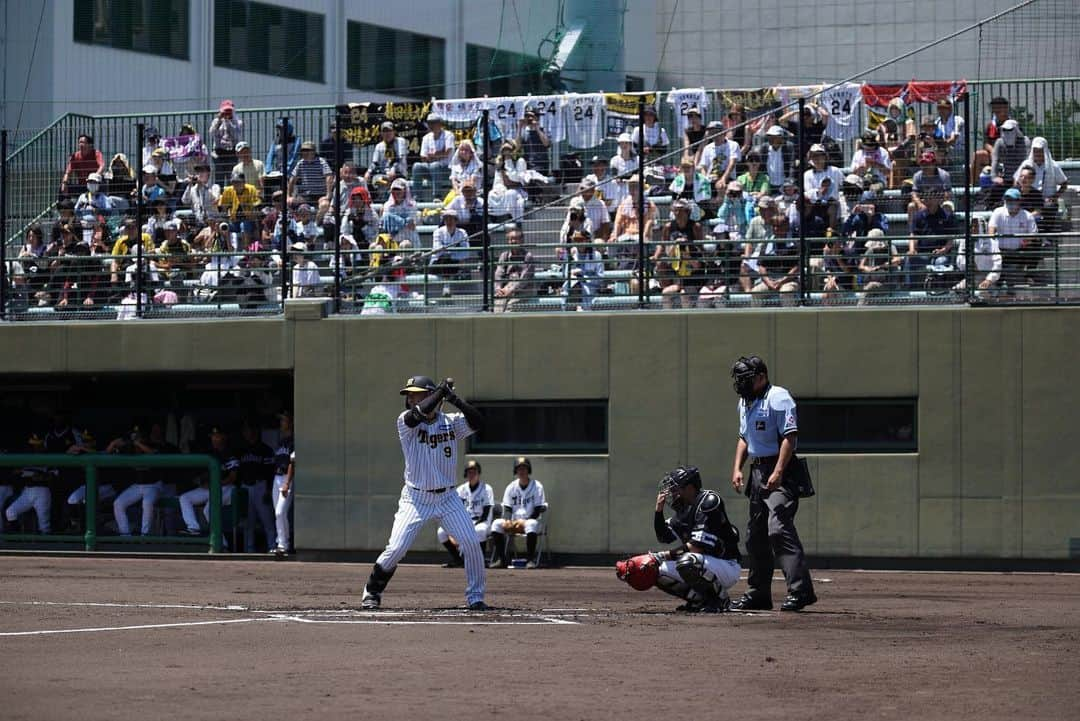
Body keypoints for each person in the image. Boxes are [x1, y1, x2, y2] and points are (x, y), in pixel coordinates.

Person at [361, 376, 487, 611]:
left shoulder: (450, 422)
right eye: (409, 394)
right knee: (396, 548)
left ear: (429, 395)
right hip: (416, 498)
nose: (410, 397)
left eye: (416, 393)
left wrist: (453, 399)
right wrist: (439, 393)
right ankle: (372, 591)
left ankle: (476, 596)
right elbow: (417, 415)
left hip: (448, 498)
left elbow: (479, 422)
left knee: (471, 543)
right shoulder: (405, 422)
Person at [729, 355, 816, 612]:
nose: (741, 384)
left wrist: (778, 471)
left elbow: (790, 437)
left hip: (781, 470)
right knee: (755, 537)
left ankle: (801, 592)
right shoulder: (745, 402)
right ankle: (758, 594)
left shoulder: (778, 397)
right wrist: (737, 468)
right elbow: (744, 438)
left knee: (778, 527)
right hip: (757, 471)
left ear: (761, 377)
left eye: (746, 379)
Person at [616, 465, 741, 612]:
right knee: (652, 569)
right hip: (702, 563)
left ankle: (720, 600)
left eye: (676, 489)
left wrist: (660, 556)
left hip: (725, 565)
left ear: (689, 488)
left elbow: (697, 546)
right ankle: (699, 600)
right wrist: (659, 511)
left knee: (687, 561)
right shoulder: (684, 510)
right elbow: (664, 537)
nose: (673, 494)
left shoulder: (709, 501)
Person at [112, 423, 174, 537]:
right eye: (134, 436)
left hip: (154, 485)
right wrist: (113, 444)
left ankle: (144, 535)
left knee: (147, 503)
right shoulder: (129, 448)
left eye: (138, 436)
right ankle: (125, 535)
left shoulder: (153, 444)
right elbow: (107, 454)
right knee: (118, 503)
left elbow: (154, 454)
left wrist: (138, 443)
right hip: (137, 485)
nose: (135, 438)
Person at [178, 428, 239, 540]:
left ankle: (222, 543)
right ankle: (193, 528)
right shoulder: (210, 453)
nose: (214, 439)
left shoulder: (230, 453)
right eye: (212, 436)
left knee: (209, 510)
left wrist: (214, 484)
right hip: (212, 487)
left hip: (227, 488)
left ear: (223, 437)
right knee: (184, 498)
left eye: (217, 436)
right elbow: (205, 474)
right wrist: (201, 480)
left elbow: (232, 478)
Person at [488, 456, 547, 569]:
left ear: (528, 470)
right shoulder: (511, 487)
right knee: (496, 524)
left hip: (532, 521)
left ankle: (530, 560)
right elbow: (508, 508)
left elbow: (538, 509)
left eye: (524, 468)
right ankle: (502, 559)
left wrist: (524, 521)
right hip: (514, 522)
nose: (522, 471)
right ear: (516, 471)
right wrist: (507, 521)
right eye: (519, 469)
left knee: (531, 524)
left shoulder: (537, 486)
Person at [436, 459, 494, 568]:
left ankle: (479, 561)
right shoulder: (461, 489)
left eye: (474, 472)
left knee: (479, 530)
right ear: (466, 474)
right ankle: (458, 560)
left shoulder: (486, 489)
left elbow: (486, 512)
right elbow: (455, 510)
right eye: (469, 472)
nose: (471, 474)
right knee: (441, 532)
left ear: (478, 473)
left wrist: (470, 526)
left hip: (481, 521)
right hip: (464, 521)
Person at [237, 422, 277, 553]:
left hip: (260, 486)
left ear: (255, 431)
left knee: (268, 521)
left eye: (250, 430)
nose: (248, 433)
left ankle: (272, 547)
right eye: (245, 430)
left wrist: (269, 490)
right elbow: (237, 472)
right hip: (245, 487)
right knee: (248, 523)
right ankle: (249, 551)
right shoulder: (241, 449)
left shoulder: (265, 449)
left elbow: (271, 471)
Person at [989, 187, 1039, 289]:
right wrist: (993, 240)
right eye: (1008, 200)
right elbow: (991, 229)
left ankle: (1029, 275)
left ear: (1019, 201)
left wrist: (1026, 241)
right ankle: (999, 283)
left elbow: (1034, 234)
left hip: (1019, 251)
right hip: (1001, 251)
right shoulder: (998, 212)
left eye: (1013, 200)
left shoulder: (1027, 215)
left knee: (1036, 246)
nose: (1010, 202)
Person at [5, 434, 56, 533]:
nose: (36, 448)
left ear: (42, 446)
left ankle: (48, 546)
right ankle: (16, 539)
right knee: (10, 512)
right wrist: (23, 473)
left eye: (38, 445)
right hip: (27, 491)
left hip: (42, 491)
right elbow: (15, 472)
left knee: (44, 526)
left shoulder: (49, 458)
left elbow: (53, 476)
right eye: (34, 445)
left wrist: (40, 476)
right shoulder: (27, 458)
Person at [412, 114, 455, 202]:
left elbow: (447, 152)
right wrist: (439, 154)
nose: (431, 125)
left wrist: (433, 156)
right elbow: (423, 157)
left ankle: (437, 196)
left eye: (434, 123)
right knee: (417, 166)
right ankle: (417, 197)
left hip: (446, 169)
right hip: (431, 169)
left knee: (435, 165)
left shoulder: (448, 135)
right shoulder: (426, 138)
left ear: (440, 124)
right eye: (429, 123)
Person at [494, 226, 535, 312]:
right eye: (510, 239)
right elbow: (498, 274)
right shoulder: (504, 256)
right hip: (507, 287)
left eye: (516, 239)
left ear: (522, 241)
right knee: (498, 306)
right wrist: (498, 288)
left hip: (524, 289)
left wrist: (511, 290)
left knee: (510, 307)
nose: (513, 241)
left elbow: (524, 279)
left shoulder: (528, 257)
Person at [271, 411, 295, 557]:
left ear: (291, 423)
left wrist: (287, 483)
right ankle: (282, 543)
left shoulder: (294, 441)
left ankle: (283, 544)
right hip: (277, 477)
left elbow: (293, 463)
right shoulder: (281, 442)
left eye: (284, 420)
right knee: (278, 514)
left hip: (287, 477)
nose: (281, 423)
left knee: (280, 512)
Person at [562, 229, 604, 311]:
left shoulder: (596, 255)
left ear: (587, 241)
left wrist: (584, 276)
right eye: (575, 240)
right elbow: (566, 275)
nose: (577, 243)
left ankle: (577, 307)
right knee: (574, 286)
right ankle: (574, 308)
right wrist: (573, 273)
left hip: (589, 286)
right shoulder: (572, 254)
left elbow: (600, 277)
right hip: (572, 285)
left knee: (581, 289)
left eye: (580, 240)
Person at [973, 96, 1011, 185]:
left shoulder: (1012, 124)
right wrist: (993, 150)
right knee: (977, 155)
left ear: (1005, 108)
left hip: (1009, 155)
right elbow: (986, 143)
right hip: (993, 155)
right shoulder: (991, 125)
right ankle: (974, 185)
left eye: (998, 108)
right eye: (994, 108)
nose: (995, 111)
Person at [365, 121, 409, 197]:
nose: (387, 133)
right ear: (381, 133)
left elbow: (400, 159)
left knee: (390, 180)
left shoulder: (400, 141)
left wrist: (393, 170)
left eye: (389, 131)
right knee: (375, 179)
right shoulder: (379, 146)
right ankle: (379, 197)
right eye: (384, 131)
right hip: (384, 175)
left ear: (394, 132)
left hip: (399, 174)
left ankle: (388, 193)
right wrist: (368, 172)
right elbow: (375, 163)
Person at [209, 99, 244, 186]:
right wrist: (219, 120)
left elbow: (237, 136)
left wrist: (230, 122)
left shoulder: (238, 122)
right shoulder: (216, 121)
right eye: (225, 111)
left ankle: (230, 197)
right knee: (219, 178)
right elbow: (212, 133)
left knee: (231, 178)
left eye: (229, 111)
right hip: (219, 153)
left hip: (231, 153)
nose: (227, 113)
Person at [60, 134, 105, 199]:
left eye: (83, 142)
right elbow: (68, 172)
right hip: (82, 185)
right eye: (79, 142)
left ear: (90, 145)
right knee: (62, 188)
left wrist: (94, 177)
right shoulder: (75, 156)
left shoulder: (96, 153)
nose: (81, 145)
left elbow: (102, 166)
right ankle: (65, 207)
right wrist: (64, 183)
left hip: (94, 184)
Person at [288, 142, 333, 206]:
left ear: (314, 151)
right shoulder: (300, 163)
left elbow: (329, 177)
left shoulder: (321, 162)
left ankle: (318, 217)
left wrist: (328, 195)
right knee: (291, 203)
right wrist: (289, 196)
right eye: (303, 150)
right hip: (305, 195)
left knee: (324, 205)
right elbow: (292, 179)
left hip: (320, 195)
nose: (304, 153)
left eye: (307, 150)